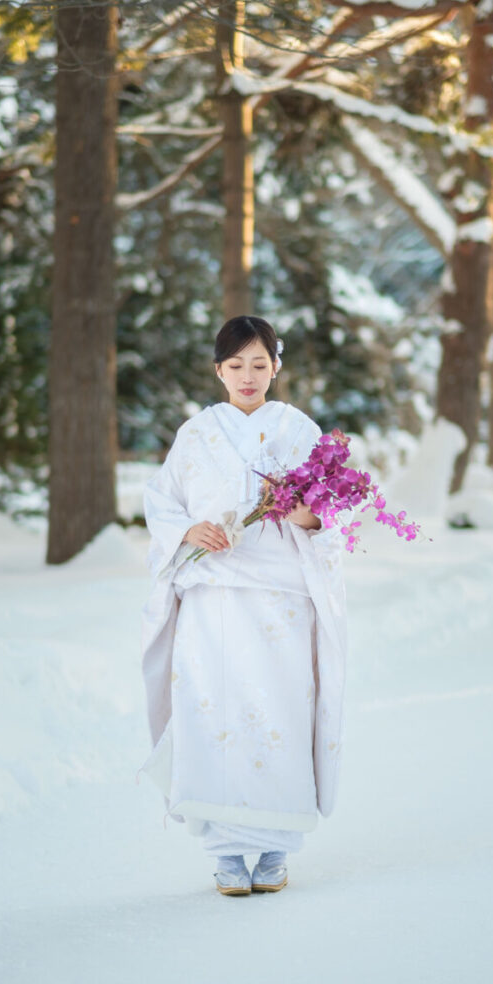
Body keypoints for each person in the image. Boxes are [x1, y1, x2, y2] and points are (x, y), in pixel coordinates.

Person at [138, 315, 347, 896]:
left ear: (276, 367)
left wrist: (304, 514)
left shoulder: (301, 431)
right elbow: (162, 502)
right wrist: (189, 531)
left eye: (260, 363)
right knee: (214, 714)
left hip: (281, 600)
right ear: (219, 370)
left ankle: (276, 845)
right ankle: (226, 850)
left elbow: (331, 511)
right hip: (213, 601)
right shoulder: (196, 434)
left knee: (279, 714)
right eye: (236, 365)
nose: (248, 375)